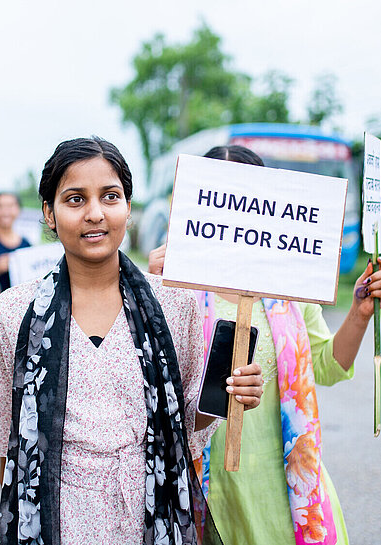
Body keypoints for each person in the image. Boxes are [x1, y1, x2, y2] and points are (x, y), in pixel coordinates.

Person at [0, 137, 263, 545]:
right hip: (55, 521)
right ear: (49, 213)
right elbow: (10, 443)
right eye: (75, 199)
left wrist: (227, 393)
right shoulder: (14, 311)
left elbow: (183, 425)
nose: (95, 214)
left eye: (110, 196)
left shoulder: (173, 305)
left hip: (151, 515)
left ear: (128, 207)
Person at [148, 144, 378, 545]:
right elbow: (150, 387)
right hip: (208, 483)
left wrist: (359, 313)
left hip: (286, 483)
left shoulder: (290, 287)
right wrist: (155, 287)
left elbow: (327, 365)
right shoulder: (176, 283)